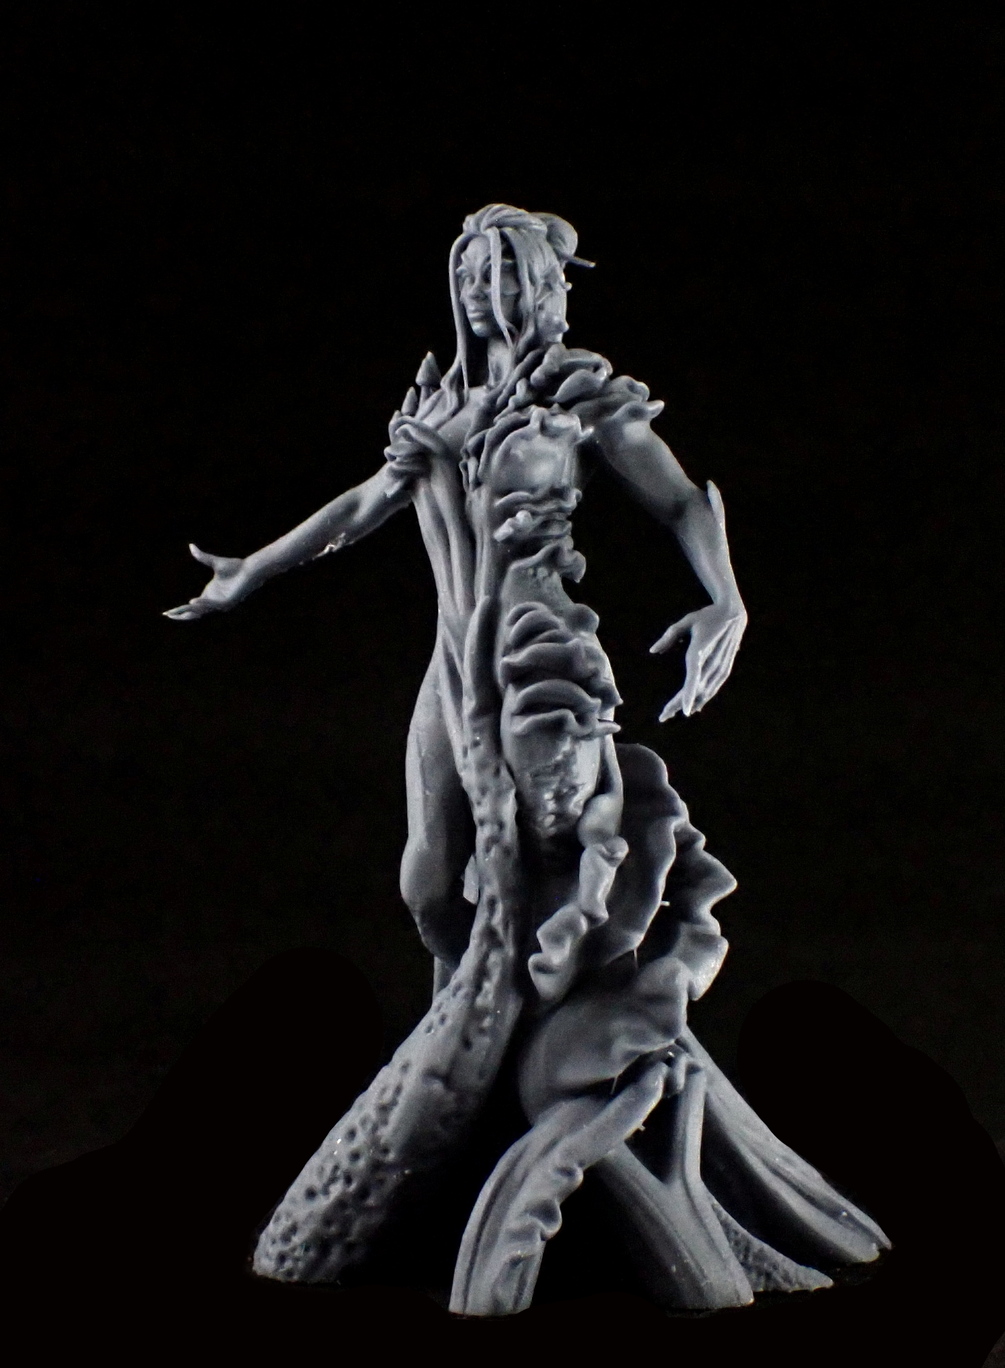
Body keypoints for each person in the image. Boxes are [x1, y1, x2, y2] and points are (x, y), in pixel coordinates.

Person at [165, 203, 748, 979]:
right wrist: (254, 568)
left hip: (537, 648)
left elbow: (677, 500)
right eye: (468, 275)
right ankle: (479, 1008)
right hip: (453, 653)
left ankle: (564, 1009)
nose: (478, 291)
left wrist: (725, 598)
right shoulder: (441, 405)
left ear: (540, 284)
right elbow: (362, 505)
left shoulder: (574, 393)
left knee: (553, 855)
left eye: (498, 274)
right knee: (430, 886)